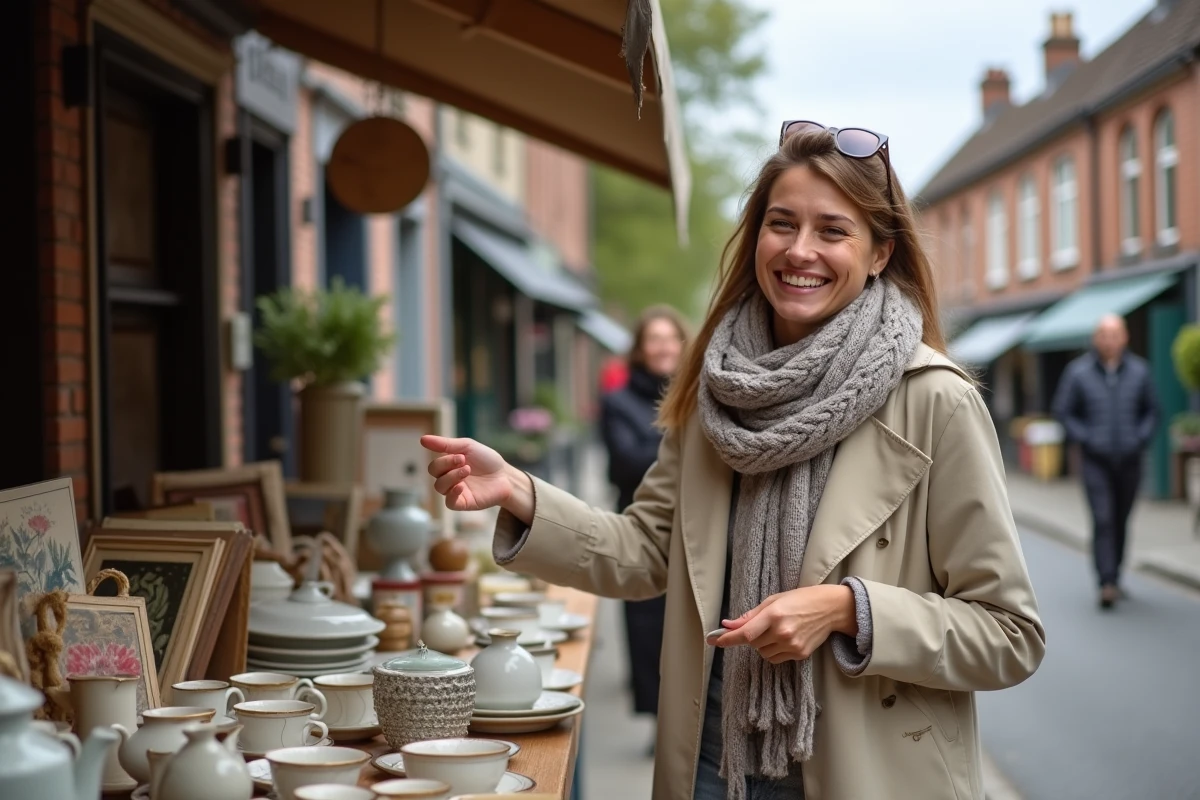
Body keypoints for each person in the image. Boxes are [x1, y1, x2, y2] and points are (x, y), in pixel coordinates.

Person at [421, 122, 1045, 800]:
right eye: (782, 224)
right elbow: (645, 551)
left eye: (833, 231)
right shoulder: (715, 385)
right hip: (714, 764)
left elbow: (1008, 633)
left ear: (877, 254)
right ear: (757, 238)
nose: (800, 250)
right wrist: (517, 490)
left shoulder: (935, 402)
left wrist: (849, 610)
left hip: (869, 772)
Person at [599, 305, 689, 751]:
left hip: (691, 529)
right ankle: (658, 721)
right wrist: (680, 446)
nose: (663, 347)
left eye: (670, 338)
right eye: (654, 339)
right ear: (639, 348)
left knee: (689, 627)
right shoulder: (617, 402)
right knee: (646, 628)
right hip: (637, 525)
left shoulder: (696, 393)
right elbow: (624, 462)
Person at [1052, 313, 1159, 609]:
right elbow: (1063, 411)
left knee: (1121, 519)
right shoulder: (1078, 372)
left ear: (1124, 337)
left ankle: (1116, 575)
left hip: (1130, 460)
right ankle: (1106, 582)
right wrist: (1085, 438)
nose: (1109, 340)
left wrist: (1140, 438)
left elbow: (1152, 411)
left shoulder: (1140, 372)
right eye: (1104, 334)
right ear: (1096, 338)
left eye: (1115, 334)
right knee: (1103, 519)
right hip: (1095, 461)